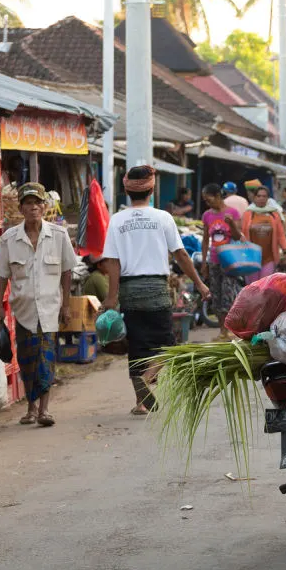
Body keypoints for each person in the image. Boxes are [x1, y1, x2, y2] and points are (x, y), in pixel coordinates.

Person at [102, 166, 210, 414]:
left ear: (127, 191)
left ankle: (140, 403)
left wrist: (111, 296)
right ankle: (149, 376)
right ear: (152, 189)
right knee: (167, 344)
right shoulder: (163, 217)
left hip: (130, 291)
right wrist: (200, 283)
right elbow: (181, 254)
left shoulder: (117, 220)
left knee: (137, 345)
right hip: (156, 289)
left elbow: (112, 262)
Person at [0, 183, 77, 427]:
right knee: (28, 361)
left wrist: (67, 304)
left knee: (46, 359)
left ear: (44, 206)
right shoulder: (9, 239)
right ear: (21, 208)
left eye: (37, 203)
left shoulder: (58, 236)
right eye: (28, 203)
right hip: (23, 311)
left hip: (49, 309)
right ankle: (30, 408)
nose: (33, 208)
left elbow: (67, 271)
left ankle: (44, 410)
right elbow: (0, 275)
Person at [201, 183, 242, 340]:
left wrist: (231, 223)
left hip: (230, 261)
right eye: (205, 200)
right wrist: (204, 262)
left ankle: (229, 329)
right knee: (216, 296)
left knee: (228, 294)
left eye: (209, 199)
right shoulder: (207, 215)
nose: (207, 203)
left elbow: (239, 237)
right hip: (214, 260)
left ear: (218, 196)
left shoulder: (233, 213)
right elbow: (205, 240)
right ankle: (222, 331)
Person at [241, 185, 286, 281]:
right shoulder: (248, 214)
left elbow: (280, 234)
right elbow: (242, 233)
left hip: (269, 258)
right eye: (259, 196)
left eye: (264, 196)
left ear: (268, 198)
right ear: (254, 198)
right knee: (252, 287)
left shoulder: (274, 214)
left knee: (265, 286)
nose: (261, 198)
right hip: (251, 257)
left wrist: (285, 250)